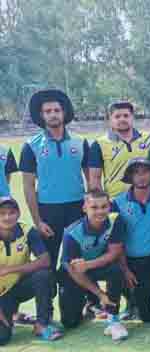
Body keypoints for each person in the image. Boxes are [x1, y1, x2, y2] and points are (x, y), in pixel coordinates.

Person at [20, 89, 90, 275]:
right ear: (41, 115)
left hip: (77, 208)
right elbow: (27, 186)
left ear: (64, 113)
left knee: (77, 261)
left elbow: (92, 180)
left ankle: (86, 303)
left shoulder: (80, 142)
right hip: (48, 211)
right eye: (48, 111)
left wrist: (90, 211)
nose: (53, 114)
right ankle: (47, 304)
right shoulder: (31, 146)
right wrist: (37, 220)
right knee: (47, 264)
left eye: (57, 110)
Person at [111, 158, 150, 323]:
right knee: (147, 317)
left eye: (145, 172)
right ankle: (134, 302)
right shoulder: (117, 202)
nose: (141, 177)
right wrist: (125, 270)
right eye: (136, 173)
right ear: (130, 177)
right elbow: (117, 242)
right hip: (133, 259)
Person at [59, 190, 127, 340]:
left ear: (110, 207)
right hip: (72, 274)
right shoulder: (71, 233)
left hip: (94, 266)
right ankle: (91, 300)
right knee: (70, 322)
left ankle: (113, 319)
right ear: (85, 208)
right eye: (94, 207)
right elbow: (75, 271)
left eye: (104, 206)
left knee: (116, 270)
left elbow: (114, 253)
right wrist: (100, 294)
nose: (100, 211)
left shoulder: (116, 220)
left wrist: (88, 264)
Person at [0, 197, 61, 344]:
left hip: (19, 285)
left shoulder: (27, 231)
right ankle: (11, 315)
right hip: (2, 294)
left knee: (44, 275)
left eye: (11, 212)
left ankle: (42, 324)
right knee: (2, 338)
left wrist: (9, 270)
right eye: (2, 213)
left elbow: (45, 260)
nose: (7, 217)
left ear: (19, 214)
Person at [88, 101, 150, 198]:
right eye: (117, 116)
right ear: (110, 120)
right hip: (116, 203)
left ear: (132, 117)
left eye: (126, 116)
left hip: (149, 201)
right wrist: (103, 202)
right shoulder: (98, 145)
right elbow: (94, 179)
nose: (122, 119)